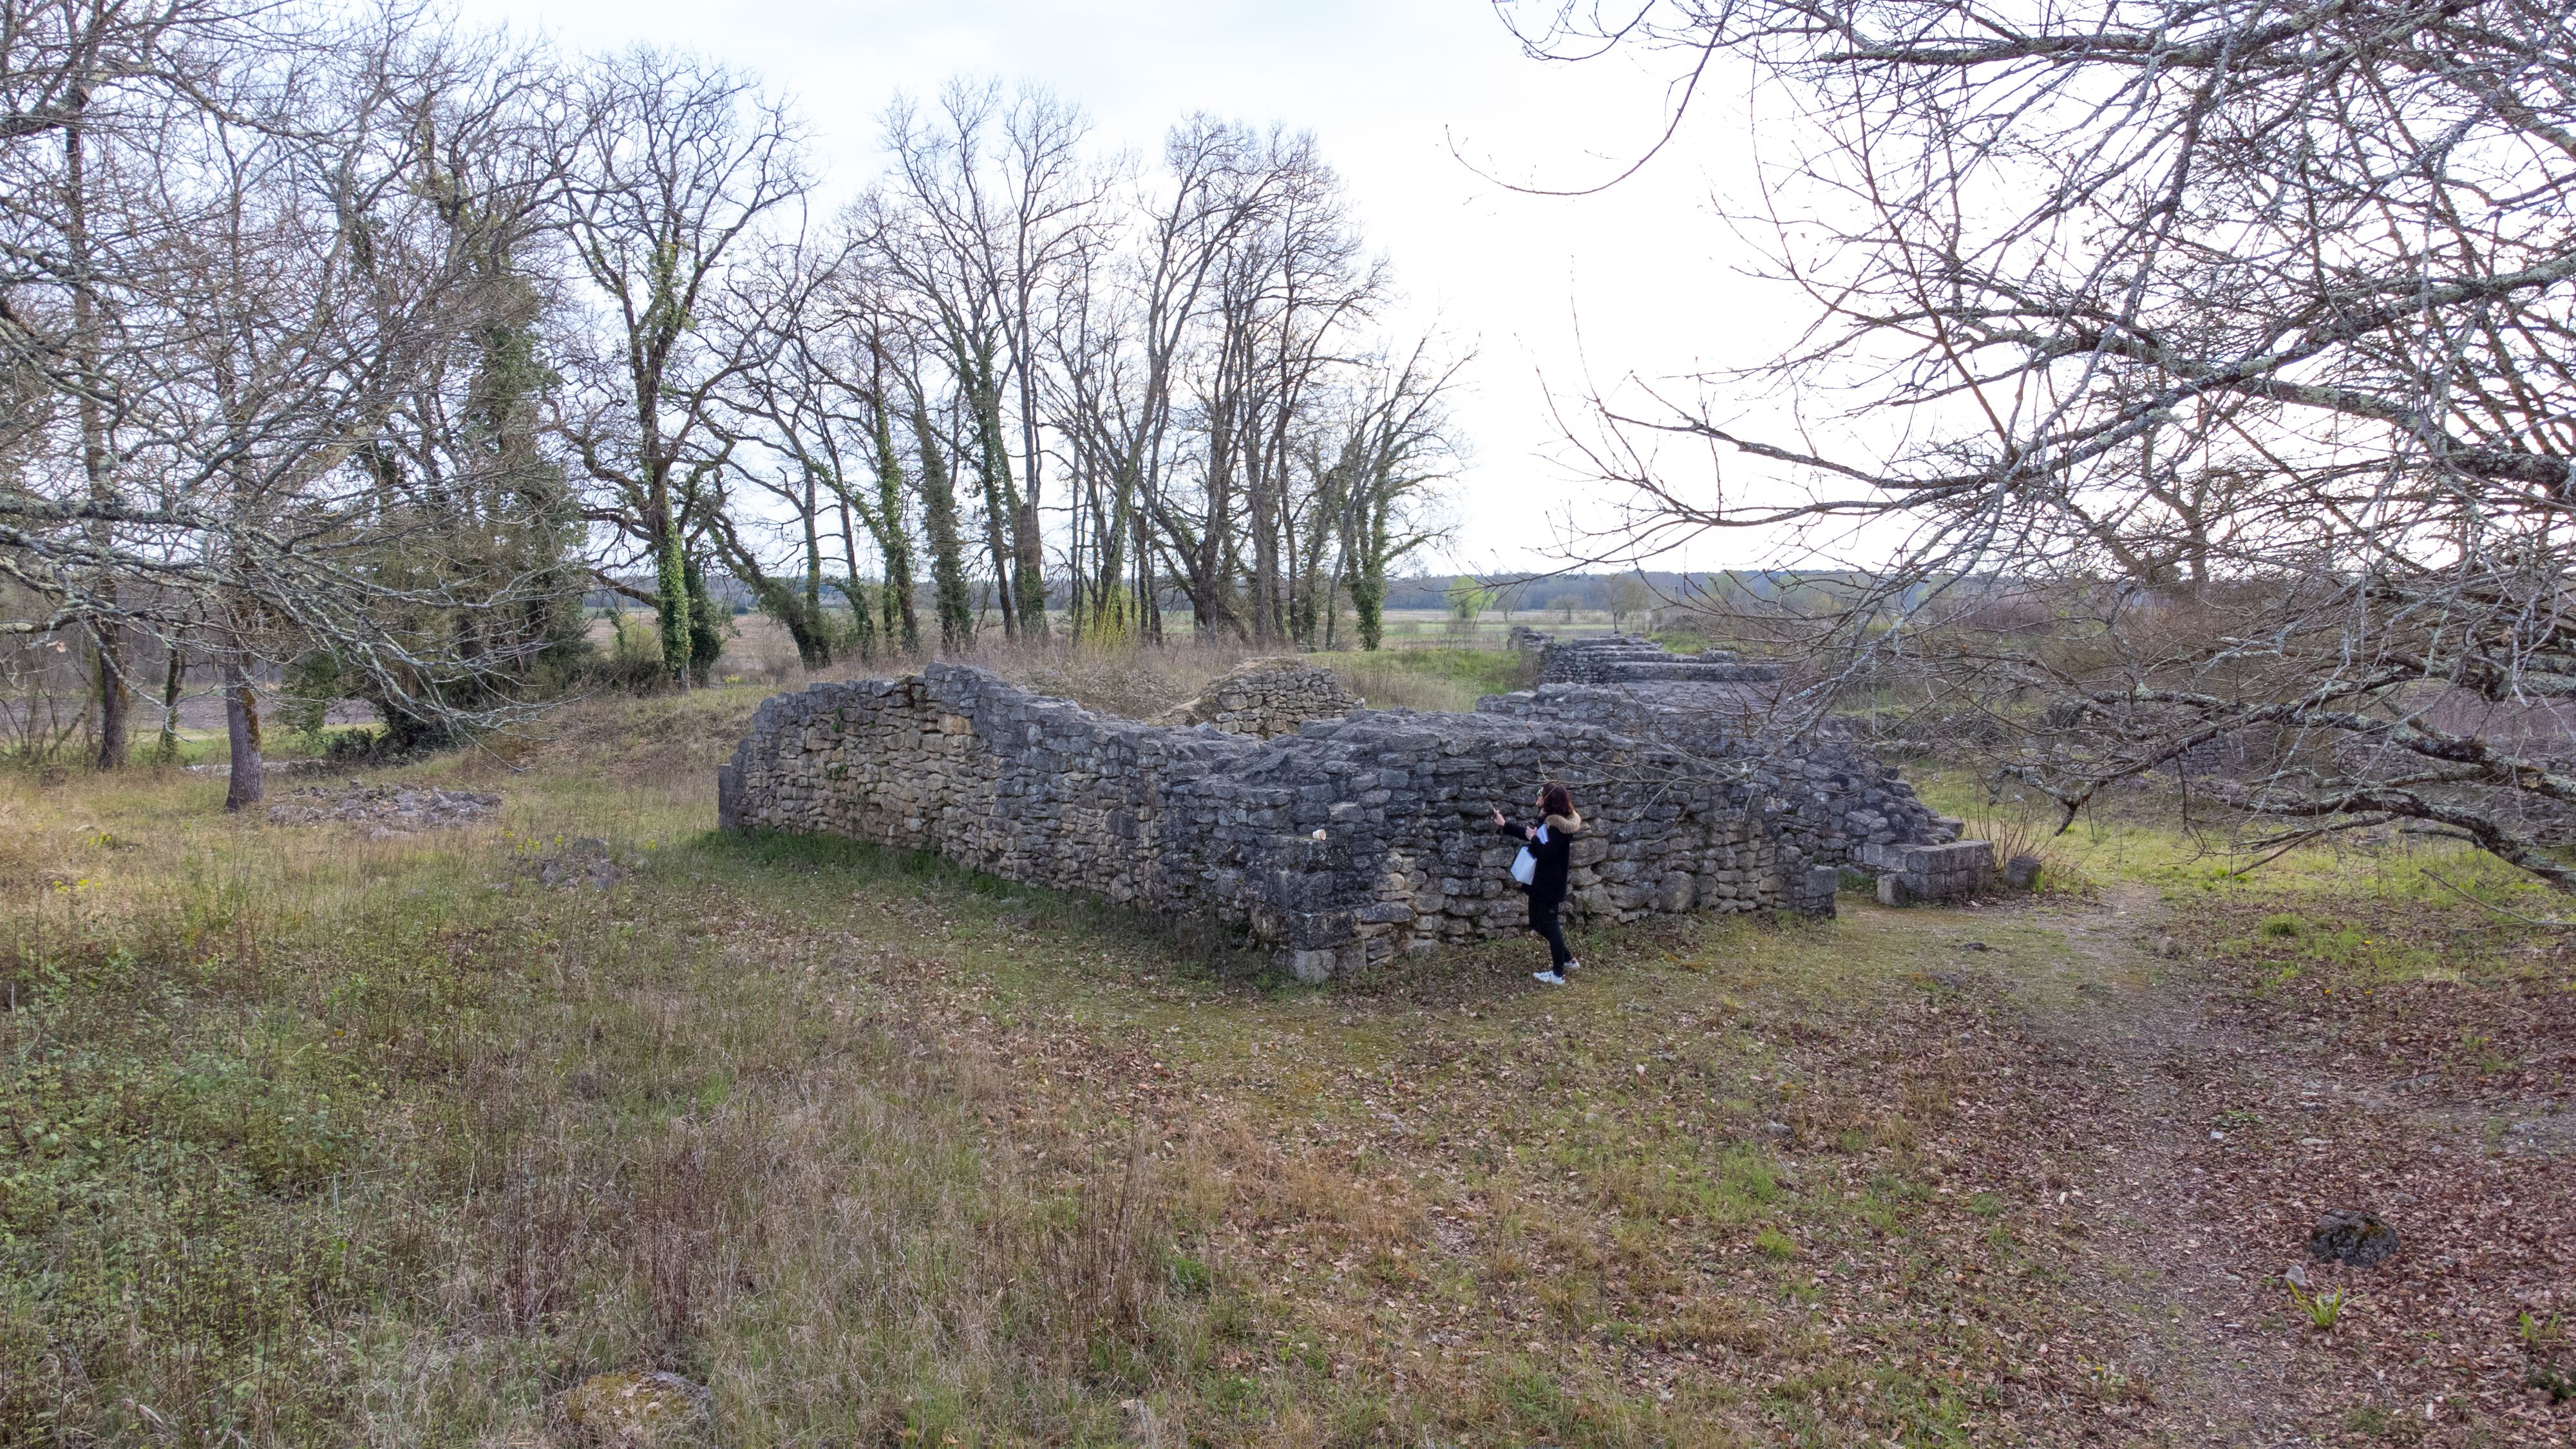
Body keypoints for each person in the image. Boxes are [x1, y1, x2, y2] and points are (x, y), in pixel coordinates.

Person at [1492, 782, 1582, 985]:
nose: (1537, 797)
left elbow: (1546, 853)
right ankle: (1568, 959)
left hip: (1550, 885)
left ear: (1549, 799)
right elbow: (1529, 833)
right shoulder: (1547, 820)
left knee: (1551, 925)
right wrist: (1505, 825)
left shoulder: (1558, 826)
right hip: (1539, 883)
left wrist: (1533, 839)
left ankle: (1558, 975)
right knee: (1538, 924)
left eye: (1541, 793)